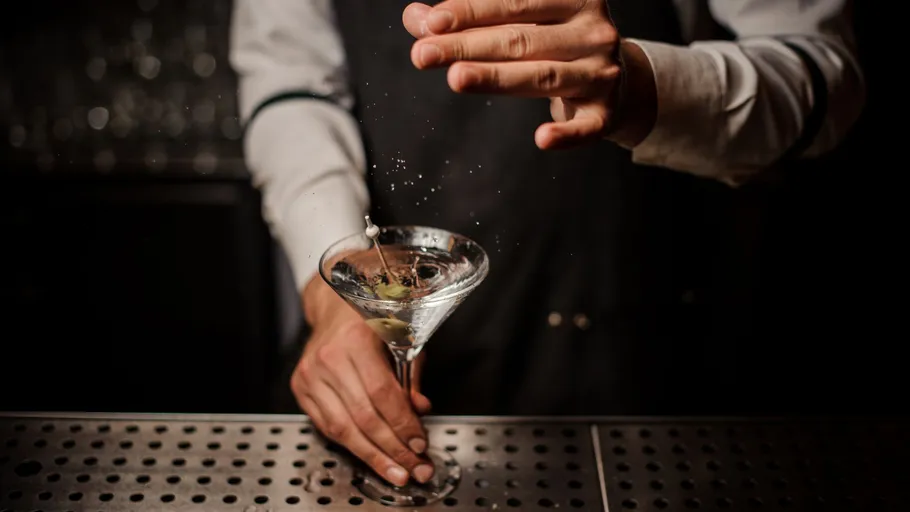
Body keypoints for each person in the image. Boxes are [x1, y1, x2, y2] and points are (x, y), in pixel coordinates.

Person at [230, 0, 864, 487]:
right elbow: (291, 85)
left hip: (645, 344)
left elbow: (826, 77)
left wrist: (644, 88)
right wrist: (336, 286)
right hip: (411, 325)